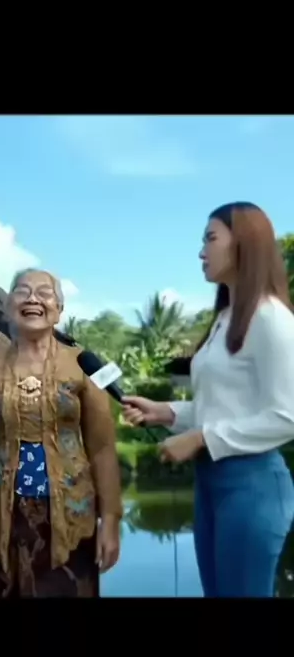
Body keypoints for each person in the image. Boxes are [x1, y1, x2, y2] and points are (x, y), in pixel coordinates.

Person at [122, 202, 294, 598]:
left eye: (210, 239)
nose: (202, 252)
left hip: (252, 485)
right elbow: (223, 407)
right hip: (212, 482)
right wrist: (165, 412)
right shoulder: (224, 319)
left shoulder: (271, 318)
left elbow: (286, 415)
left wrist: (201, 438)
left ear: (244, 242)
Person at [0, 268, 122, 597]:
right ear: (8, 305)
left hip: (73, 517)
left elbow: (102, 449)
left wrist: (111, 519)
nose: (32, 299)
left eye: (44, 293)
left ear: (60, 308)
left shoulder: (83, 365)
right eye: (22, 291)